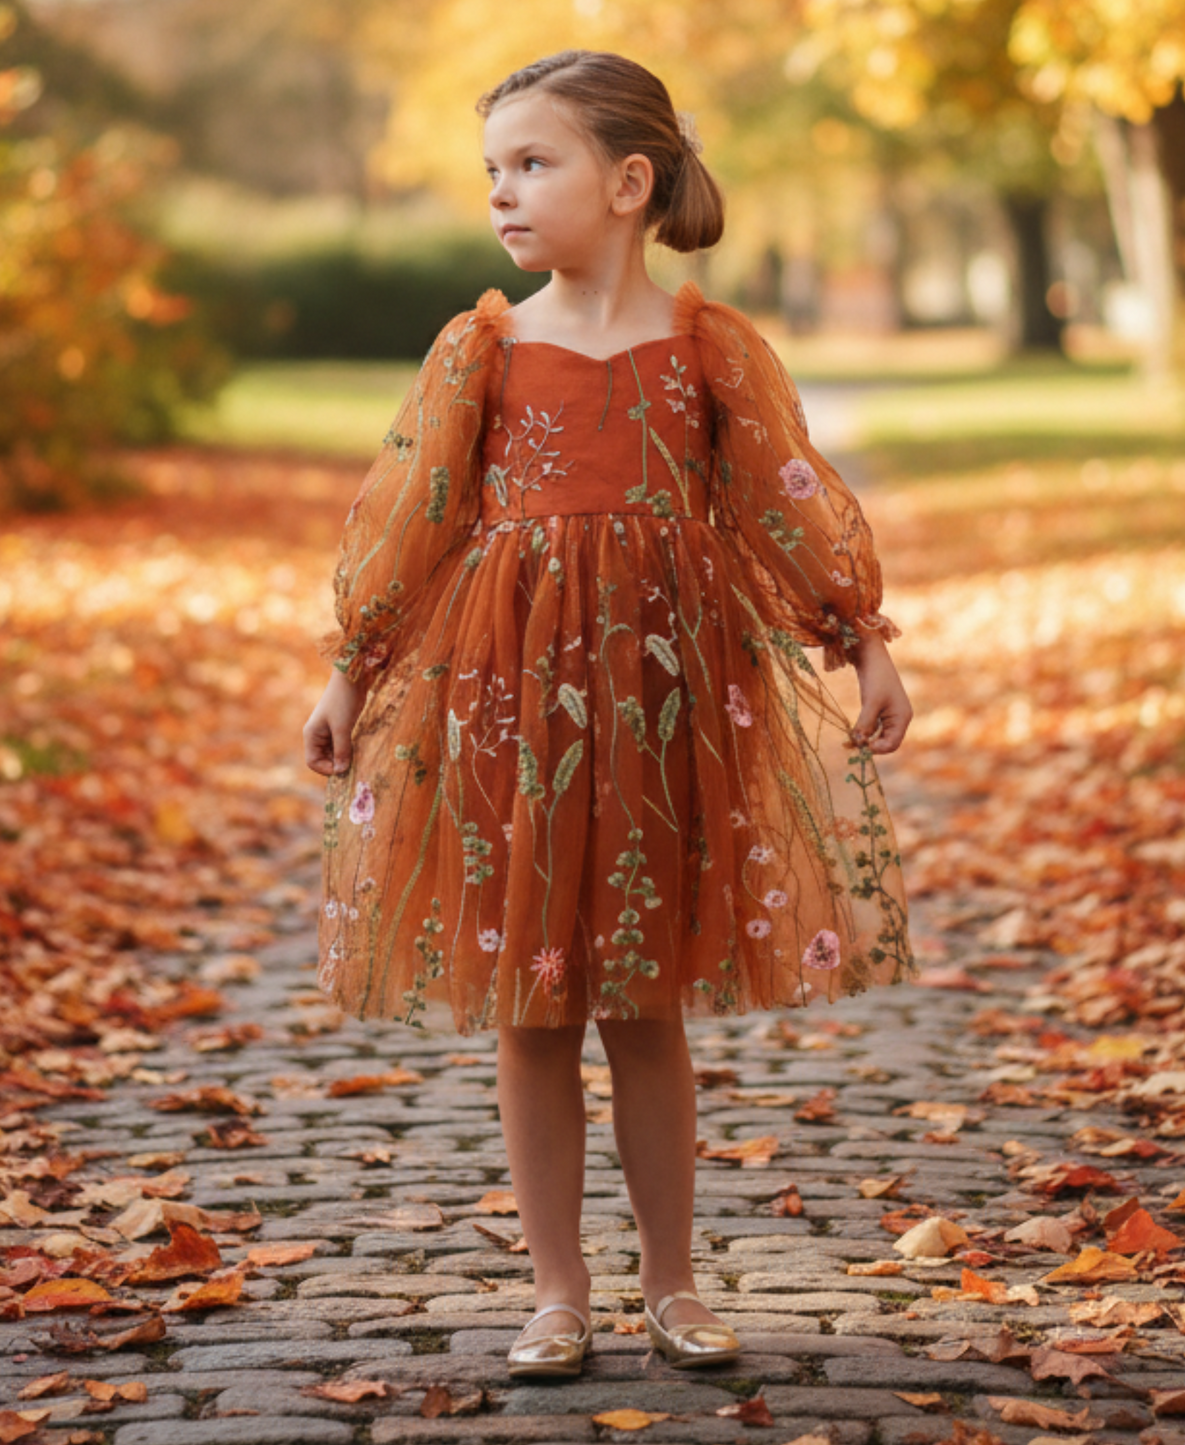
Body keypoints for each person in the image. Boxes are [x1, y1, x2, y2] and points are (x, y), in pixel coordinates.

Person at [303, 49, 917, 1380]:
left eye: (534, 164)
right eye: (494, 170)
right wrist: (353, 669)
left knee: (644, 1000)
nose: (502, 193)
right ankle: (556, 1290)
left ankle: (674, 1281)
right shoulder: (484, 350)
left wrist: (859, 641)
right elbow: (412, 519)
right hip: (511, 706)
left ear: (629, 184)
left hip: (663, 706)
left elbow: (785, 500)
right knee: (531, 1002)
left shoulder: (705, 350)